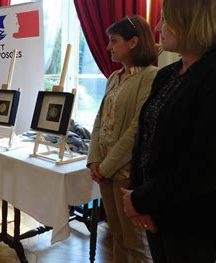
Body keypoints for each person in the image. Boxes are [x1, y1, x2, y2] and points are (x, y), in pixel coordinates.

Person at [121, 1, 216, 262]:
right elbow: (143, 139)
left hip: (192, 218)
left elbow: (202, 163)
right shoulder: (167, 74)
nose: (157, 27)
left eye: (165, 20)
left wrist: (141, 199)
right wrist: (137, 199)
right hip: (155, 209)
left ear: (191, 22)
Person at [87, 15, 158, 262]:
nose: (108, 47)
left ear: (134, 42)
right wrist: (94, 160)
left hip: (126, 173)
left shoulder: (150, 77)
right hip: (105, 172)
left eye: (113, 41)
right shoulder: (114, 77)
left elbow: (136, 130)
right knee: (116, 234)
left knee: (135, 242)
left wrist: (105, 167)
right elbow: (99, 120)